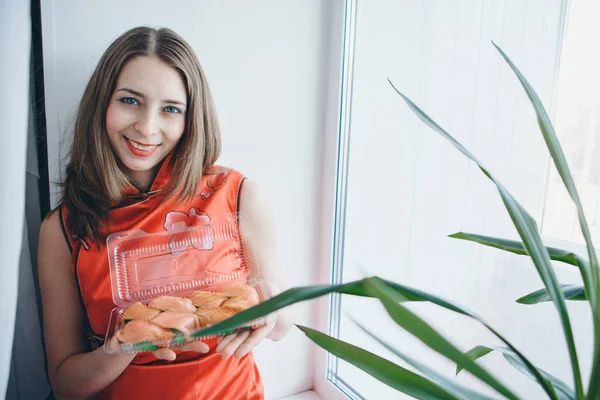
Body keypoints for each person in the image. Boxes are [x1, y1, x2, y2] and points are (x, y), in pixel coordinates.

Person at [38, 26, 292, 400]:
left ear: (191, 120)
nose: (147, 126)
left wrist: (271, 305)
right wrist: (119, 348)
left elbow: (282, 325)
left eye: (170, 109)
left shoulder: (240, 195)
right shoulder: (62, 229)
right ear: (101, 103)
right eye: (130, 101)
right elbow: (65, 385)